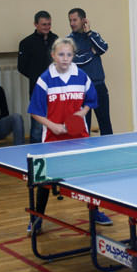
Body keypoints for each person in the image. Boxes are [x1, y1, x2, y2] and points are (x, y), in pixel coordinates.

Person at [27, 37, 112, 233]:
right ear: (53, 55)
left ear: (73, 56)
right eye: (61, 54)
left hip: (79, 137)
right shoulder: (45, 79)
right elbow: (35, 111)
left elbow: (91, 101)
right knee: (43, 182)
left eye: (69, 54)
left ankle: (94, 212)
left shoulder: (82, 76)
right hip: (52, 139)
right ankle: (37, 218)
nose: (65, 58)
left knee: (88, 178)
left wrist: (81, 113)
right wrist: (52, 126)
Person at [68, 8, 113, 135]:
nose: (72, 23)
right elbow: (75, 61)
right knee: (83, 126)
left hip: (98, 87)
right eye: (70, 20)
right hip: (80, 89)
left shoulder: (94, 36)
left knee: (105, 123)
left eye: (75, 20)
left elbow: (103, 48)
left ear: (83, 20)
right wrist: (92, 53)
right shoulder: (68, 41)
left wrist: (89, 33)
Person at [17, 10, 58, 143]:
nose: (47, 27)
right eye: (44, 24)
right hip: (37, 89)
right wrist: (38, 78)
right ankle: (35, 153)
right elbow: (21, 67)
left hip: (56, 89)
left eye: (49, 24)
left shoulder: (56, 40)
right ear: (36, 24)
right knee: (37, 128)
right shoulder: (26, 43)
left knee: (56, 122)